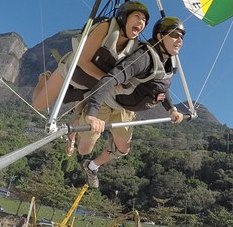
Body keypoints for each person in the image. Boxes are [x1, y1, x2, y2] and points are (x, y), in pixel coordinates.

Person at [76, 16, 186, 188]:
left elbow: (160, 88)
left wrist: (171, 109)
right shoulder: (143, 58)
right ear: (160, 36)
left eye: (182, 37)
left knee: (122, 149)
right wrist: (92, 114)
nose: (180, 40)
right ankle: (80, 117)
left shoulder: (170, 63)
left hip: (124, 110)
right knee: (84, 149)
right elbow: (109, 79)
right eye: (175, 35)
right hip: (106, 102)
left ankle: (92, 166)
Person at [31, 1, 149, 154]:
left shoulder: (134, 46)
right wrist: (110, 81)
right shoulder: (106, 28)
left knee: (84, 115)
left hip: (92, 85)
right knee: (38, 105)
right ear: (124, 17)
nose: (141, 22)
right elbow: (83, 61)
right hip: (73, 73)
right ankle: (44, 77)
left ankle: (72, 134)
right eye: (137, 16)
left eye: (145, 20)